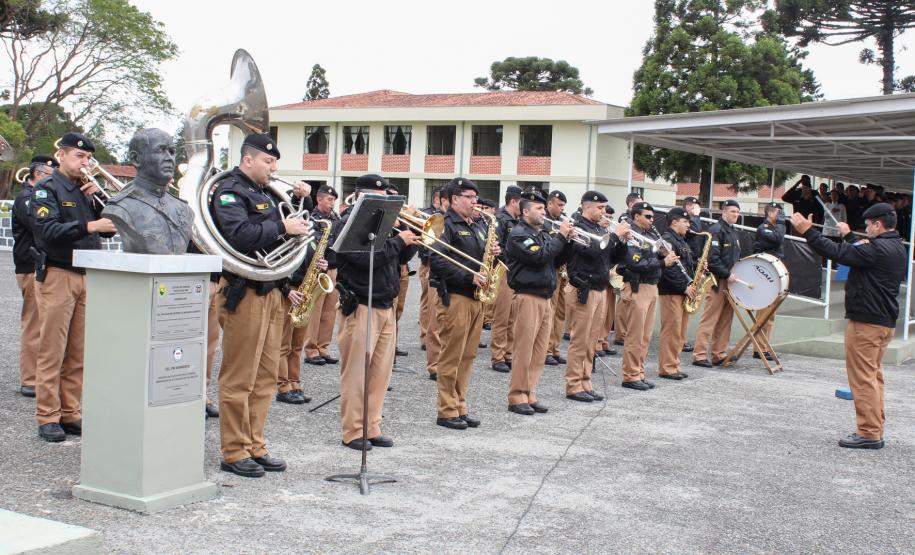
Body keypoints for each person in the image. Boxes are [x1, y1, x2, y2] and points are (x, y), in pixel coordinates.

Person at [210, 133, 311, 477]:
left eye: (275, 163)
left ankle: (255, 444)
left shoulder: (265, 193)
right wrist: (283, 225)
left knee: (266, 376)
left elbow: (280, 236)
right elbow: (239, 235)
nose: (273, 168)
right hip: (244, 290)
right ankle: (234, 450)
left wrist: (298, 205)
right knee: (239, 376)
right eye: (268, 161)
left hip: (271, 290)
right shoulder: (229, 191)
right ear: (248, 159)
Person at [791, 204, 906, 450]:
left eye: (868, 225)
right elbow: (861, 252)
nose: (866, 229)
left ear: (878, 224)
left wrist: (808, 232)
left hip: (867, 323)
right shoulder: (896, 246)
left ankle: (869, 433)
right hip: (883, 322)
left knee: (862, 379)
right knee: (873, 377)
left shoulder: (876, 249)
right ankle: (875, 427)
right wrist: (850, 236)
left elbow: (838, 252)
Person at [30, 133, 117, 442]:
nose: (85, 163)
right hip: (58, 273)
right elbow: (47, 230)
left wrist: (101, 202)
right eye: (79, 157)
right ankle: (47, 415)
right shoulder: (46, 189)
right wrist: (89, 225)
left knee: (78, 351)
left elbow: (109, 231)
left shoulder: (86, 190)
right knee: (52, 350)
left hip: (86, 274)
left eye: (88, 158)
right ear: (62, 156)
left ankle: (70, 412)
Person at [332, 174, 419, 450]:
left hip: (385, 304)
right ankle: (352, 430)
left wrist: (411, 239)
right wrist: (398, 241)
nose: (383, 204)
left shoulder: (384, 223)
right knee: (357, 374)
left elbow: (398, 258)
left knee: (380, 374)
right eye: (377, 198)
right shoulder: (348, 223)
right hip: (360, 304)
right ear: (361, 196)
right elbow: (361, 258)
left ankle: (371, 426)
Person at [431, 178, 496, 429]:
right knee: (451, 356)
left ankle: (460, 406)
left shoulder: (479, 224)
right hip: (456, 296)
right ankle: (446, 410)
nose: (474, 202)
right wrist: (469, 276)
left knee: (467, 356)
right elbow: (436, 260)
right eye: (469, 197)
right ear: (454, 199)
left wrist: (493, 253)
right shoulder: (444, 224)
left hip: (476, 298)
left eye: (475, 197)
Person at [504, 189, 571, 415]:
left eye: (544, 208)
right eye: (539, 208)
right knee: (524, 350)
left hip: (545, 297)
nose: (543, 212)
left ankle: (530, 392)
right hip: (528, 296)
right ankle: (517, 396)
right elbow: (539, 256)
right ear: (525, 211)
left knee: (539, 351)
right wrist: (560, 237)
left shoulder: (541, 233)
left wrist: (568, 242)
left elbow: (555, 260)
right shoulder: (518, 234)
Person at [564, 191, 628, 402]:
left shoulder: (599, 229)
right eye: (600, 208)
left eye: (604, 208)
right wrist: (615, 236)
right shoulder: (577, 227)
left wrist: (622, 242)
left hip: (599, 288)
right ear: (587, 207)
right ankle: (573, 385)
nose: (603, 212)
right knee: (580, 340)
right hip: (584, 288)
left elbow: (610, 259)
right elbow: (592, 251)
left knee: (592, 340)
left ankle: (585, 381)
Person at [101, 128, 192, 254]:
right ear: (136, 159)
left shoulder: (184, 208)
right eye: (160, 150)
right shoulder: (119, 208)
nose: (169, 158)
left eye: (172, 152)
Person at [12, 155, 56, 398]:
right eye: (52, 175)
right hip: (30, 266)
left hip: (43, 265)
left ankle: (43, 376)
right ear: (38, 174)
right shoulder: (27, 197)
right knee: (34, 325)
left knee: (46, 325)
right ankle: (29, 379)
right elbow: (39, 224)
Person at [620, 202, 678, 390]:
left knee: (645, 336)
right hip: (638, 286)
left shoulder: (651, 234)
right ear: (636, 216)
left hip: (652, 286)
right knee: (635, 336)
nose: (652, 220)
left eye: (652, 217)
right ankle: (630, 375)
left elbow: (653, 256)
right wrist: (662, 262)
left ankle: (639, 372)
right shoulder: (630, 234)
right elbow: (635, 262)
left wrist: (663, 253)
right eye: (648, 216)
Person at [692, 200, 741, 367]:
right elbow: (712, 260)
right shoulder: (716, 230)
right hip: (718, 281)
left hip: (731, 282)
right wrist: (727, 274)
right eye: (733, 211)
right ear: (724, 212)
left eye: (737, 212)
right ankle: (699, 355)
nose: (736, 214)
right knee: (710, 319)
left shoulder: (733, 231)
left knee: (726, 320)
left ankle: (719, 353)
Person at [302, 185, 341, 366]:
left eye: (334, 200)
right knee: (315, 311)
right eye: (329, 200)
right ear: (319, 199)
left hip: (333, 268)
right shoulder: (312, 218)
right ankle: (311, 350)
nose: (333, 203)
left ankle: (323, 347)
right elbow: (311, 241)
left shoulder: (335, 218)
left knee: (329, 312)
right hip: (317, 269)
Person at [657, 207, 697, 382]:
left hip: (681, 291)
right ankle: (667, 367)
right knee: (671, 331)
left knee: (680, 332)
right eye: (685, 221)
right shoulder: (667, 240)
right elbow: (669, 269)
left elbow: (685, 266)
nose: (688, 225)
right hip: (672, 291)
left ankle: (674, 364)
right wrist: (683, 287)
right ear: (674, 222)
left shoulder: (681, 240)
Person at [490, 185, 522, 373]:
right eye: (522, 202)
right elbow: (496, 247)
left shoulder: (518, 220)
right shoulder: (500, 219)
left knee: (513, 317)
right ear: (513, 202)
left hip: (515, 272)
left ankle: (508, 353)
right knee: (502, 317)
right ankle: (498, 356)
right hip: (503, 271)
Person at [424, 188, 452, 381]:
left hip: (456, 279)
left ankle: (447, 363)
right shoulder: (438, 220)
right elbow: (429, 250)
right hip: (437, 274)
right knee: (434, 321)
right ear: (444, 201)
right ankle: (434, 365)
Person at [752, 202, 785, 361]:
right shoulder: (763, 228)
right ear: (770, 213)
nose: (781, 215)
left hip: (774, 272)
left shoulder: (774, 227)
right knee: (763, 313)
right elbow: (778, 239)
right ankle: (758, 348)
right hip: (764, 275)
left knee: (771, 314)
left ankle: (765, 347)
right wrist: (782, 224)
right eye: (779, 212)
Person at [613, 191, 643, 347]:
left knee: (629, 302)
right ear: (631, 205)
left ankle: (625, 332)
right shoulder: (625, 219)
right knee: (624, 301)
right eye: (639, 203)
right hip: (626, 262)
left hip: (635, 261)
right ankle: (621, 334)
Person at [544, 190, 569, 365]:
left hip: (563, 270)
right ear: (550, 204)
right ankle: (546, 350)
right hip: (551, 268)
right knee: (550, 311)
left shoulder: (562, 221)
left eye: (563, 206)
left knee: (560, 312)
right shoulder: (544, 222)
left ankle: (555, 349)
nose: (562, 208)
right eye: (559, 205)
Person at [477, 198, 498, 332]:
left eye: (484, 208)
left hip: (485, 266)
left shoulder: (483, 223)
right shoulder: (480, 223)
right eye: (481, 207)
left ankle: (483, 320)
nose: (481, 210)